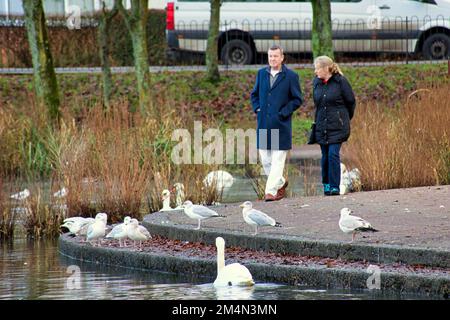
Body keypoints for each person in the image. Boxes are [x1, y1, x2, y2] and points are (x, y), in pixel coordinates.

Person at [251, 45, 303, 201]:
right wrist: (257, 108)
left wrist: (283, 113)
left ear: (282, 57)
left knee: (277, 161)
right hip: (264, 125)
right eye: (270, 56)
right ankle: (280, 182)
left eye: (275, 56)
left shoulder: (291, 76)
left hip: (281, 125)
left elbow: (297, 99)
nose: (272, 59)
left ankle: (270, 192)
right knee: (265, 160)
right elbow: (254, 95)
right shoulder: (261, 74)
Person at [312, 56, 356, 196]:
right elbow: (317, 104)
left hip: (338, 125)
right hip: (321, 124)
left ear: (326, 68)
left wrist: (343, 118)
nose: (315, 71)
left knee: (332, 154)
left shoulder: (340, 82)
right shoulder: (316, 82)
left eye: (317, 68)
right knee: (324, 156)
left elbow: (351, 102)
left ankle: (334, 186)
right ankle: (326, 184)